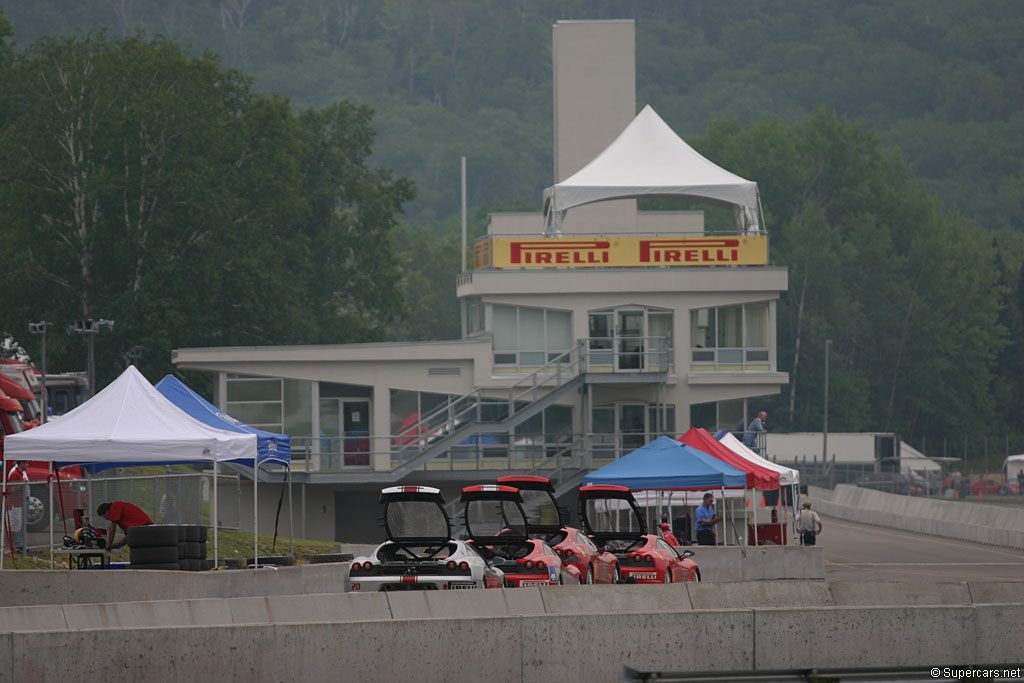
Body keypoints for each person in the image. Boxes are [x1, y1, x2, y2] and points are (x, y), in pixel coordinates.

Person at [5, 461, 29, 552]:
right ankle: (8, 547)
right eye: (26, 463)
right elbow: (11, 488)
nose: (28, 465)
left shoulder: (20, 473)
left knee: (17, 525)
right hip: (12, 504)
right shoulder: (14, 473)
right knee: (10, 525)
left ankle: (14, 546)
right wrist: (22, 484)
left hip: (18, 503)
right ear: (21, 463)